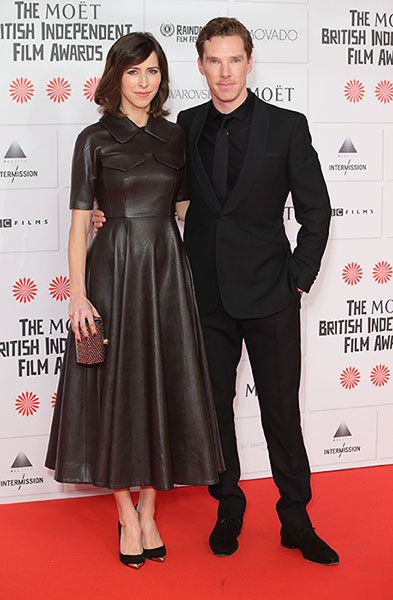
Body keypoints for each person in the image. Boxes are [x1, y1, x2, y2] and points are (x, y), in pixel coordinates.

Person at [93, 18, 339, 565]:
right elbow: (171, 201)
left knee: (280, 412)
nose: (224, 72)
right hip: (203, 298)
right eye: (213, 61)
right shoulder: (185, 125)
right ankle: (228, 505)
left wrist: (297, 278)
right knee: (215, 410)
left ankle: (295, 517)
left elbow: (317, 213)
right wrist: (111, 217)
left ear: (250, 62)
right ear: (200, 65)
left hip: (273, 295)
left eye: (234, 60)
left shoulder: (287, 126)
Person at [45, 32, 224, 570]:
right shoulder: (92, 139)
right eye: (133, 72)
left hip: (166, 273)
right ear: (115, 77)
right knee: (111, 385)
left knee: (164, 383)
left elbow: (189, 211)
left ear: (162, 78)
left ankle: (150, 508)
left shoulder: (176, 137)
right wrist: (78, 295)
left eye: (152, 72)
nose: (144, 83)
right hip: (112, 274)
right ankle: (124, 510)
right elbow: (79, 226)